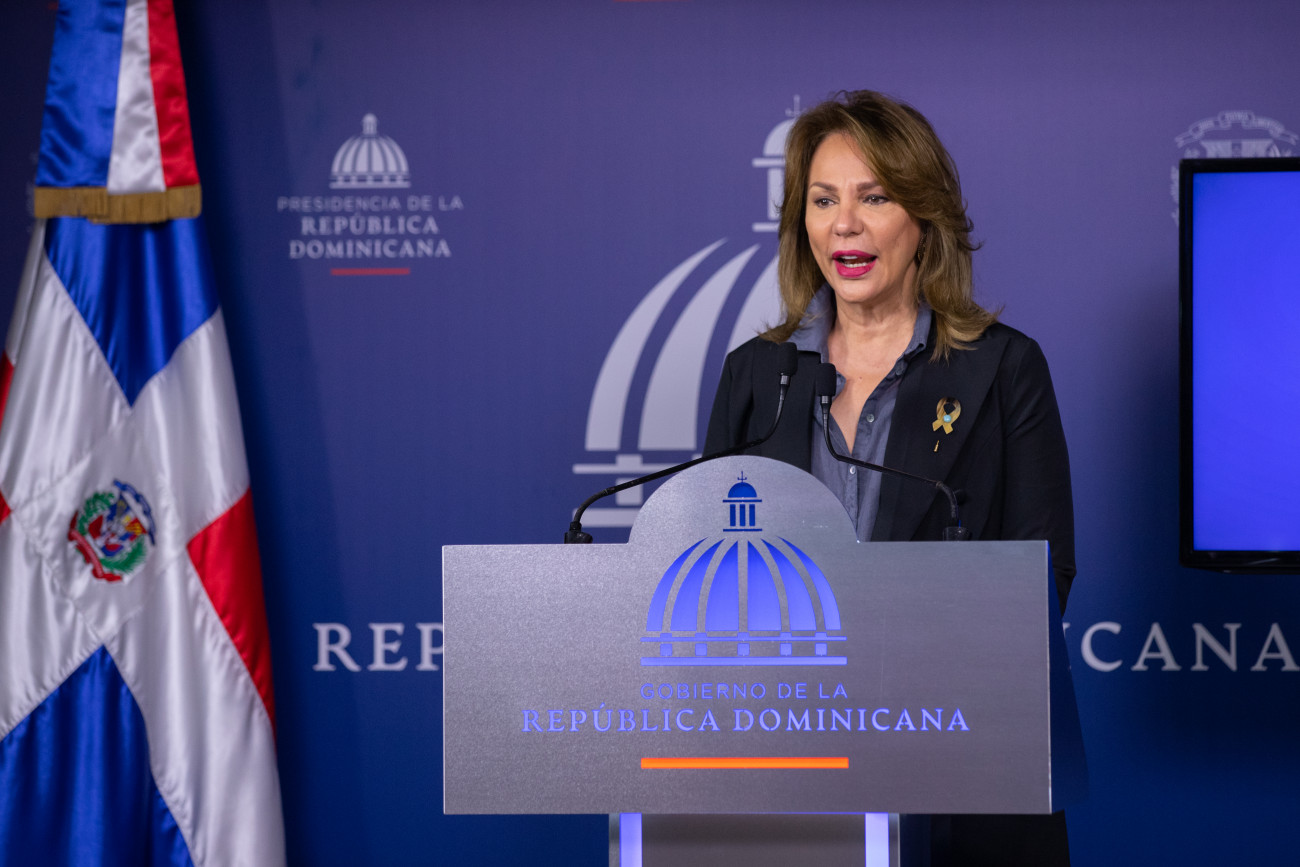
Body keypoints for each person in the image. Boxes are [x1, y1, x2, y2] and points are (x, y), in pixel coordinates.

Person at [704, 90, 1075, 866]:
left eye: (874, 197)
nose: (845, 224)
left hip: (960, 771)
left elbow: (1044, 573)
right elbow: (714, 577)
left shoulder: (1002, 368)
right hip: (788, 770)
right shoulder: (756, 375)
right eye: (823, 200)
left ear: (924, 217)